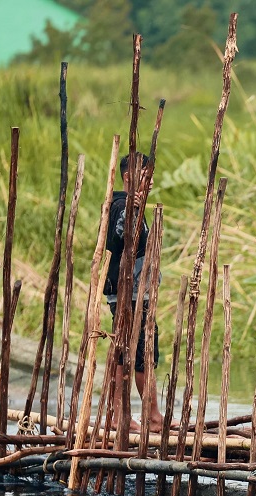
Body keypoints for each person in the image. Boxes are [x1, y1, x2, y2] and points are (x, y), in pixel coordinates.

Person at [105, 152, 166, 432]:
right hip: (129, 293)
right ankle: (150, 417)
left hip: (132, 292)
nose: (150, 181)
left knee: (126, 354)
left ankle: (122, 416)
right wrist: (132, 211)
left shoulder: (126, 205)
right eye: (145, 175)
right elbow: (121, 239)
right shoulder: (123, 206)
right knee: (142, 353)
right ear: (129, 177)